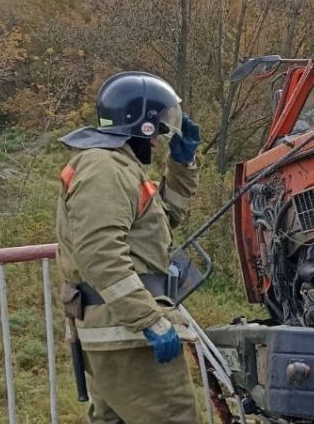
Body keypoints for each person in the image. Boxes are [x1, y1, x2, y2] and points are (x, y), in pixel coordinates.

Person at [56, 71, 203, 423]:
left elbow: (162, 223)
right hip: (129, 334)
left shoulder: (118, 166)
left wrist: (182, 166)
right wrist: (147, 319)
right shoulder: (103, 167)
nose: (158, 140)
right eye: (158, 128)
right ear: (141, 125)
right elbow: (99, 253)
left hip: (121, 333)